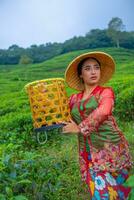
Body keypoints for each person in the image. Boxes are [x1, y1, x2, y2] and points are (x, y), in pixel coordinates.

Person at [62, 51, 132, 199]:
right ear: (80, 74)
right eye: (87, 68)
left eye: (96, 67)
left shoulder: (105, 92)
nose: (93, 72)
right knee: (99, 191)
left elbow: (104, 111)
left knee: (119, 192)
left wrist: (80, 128)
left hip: (110, 148)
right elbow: (61, 114)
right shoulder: (74, 99)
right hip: (87, 151)